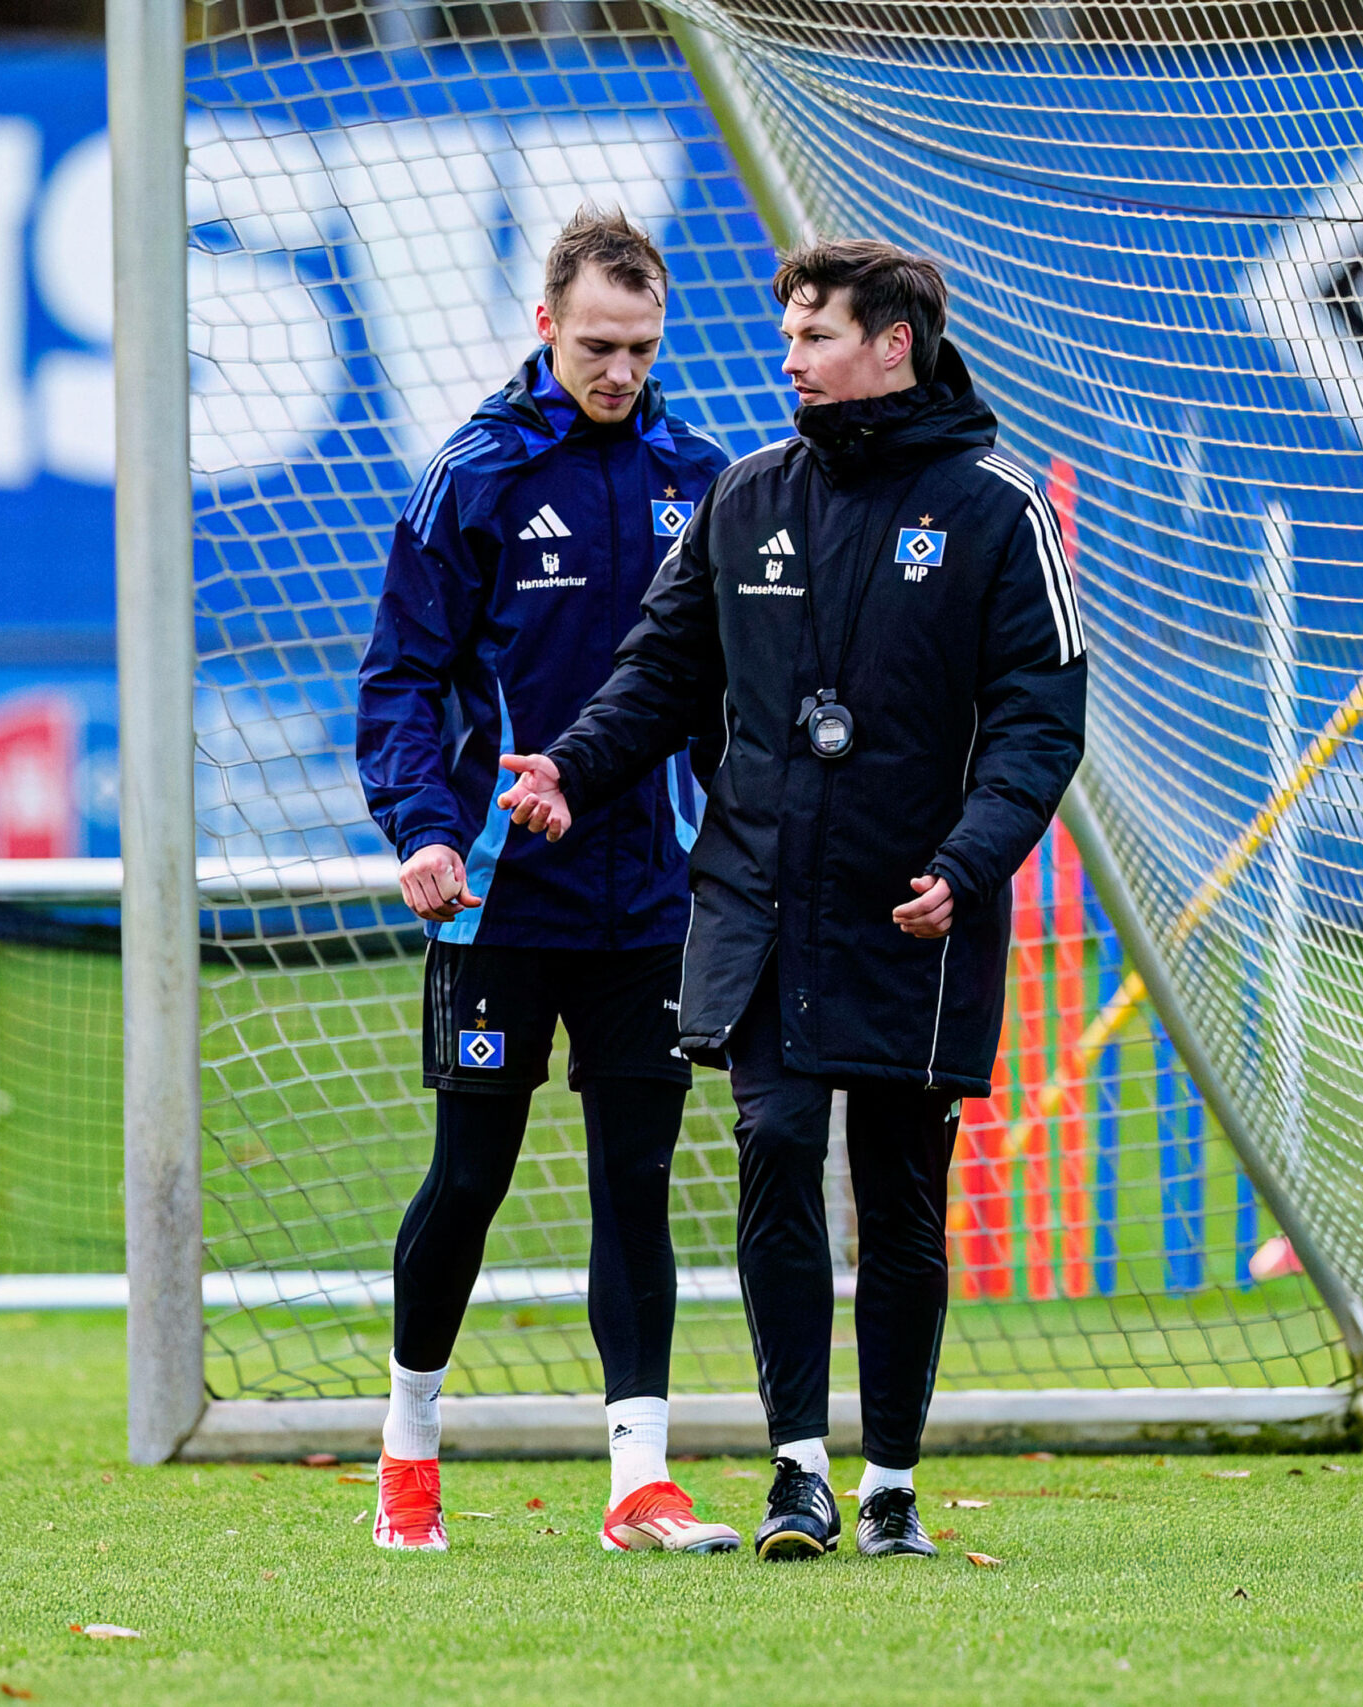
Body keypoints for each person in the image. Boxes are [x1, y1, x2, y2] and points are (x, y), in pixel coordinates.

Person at [497, 239, 1088, 1560]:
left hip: (912, 909)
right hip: (762, 898)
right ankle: (795, 1467)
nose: (789, 357)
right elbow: (658, 671)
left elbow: (1042, 724)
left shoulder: (999, 512)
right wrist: (572, 770)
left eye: (814, 335)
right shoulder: (746, 494)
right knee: (770, 1147)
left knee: (899, 1190)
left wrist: (970, 856)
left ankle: (891, 1482)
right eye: (788, 335)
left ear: (892, 344)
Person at [355, 209, 737, 1555]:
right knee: (471, 1174)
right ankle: (409, 1445)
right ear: (544, 325)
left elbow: (719, 696)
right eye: (595, 345)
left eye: (640, 346)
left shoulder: (705, 478)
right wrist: (421, 827)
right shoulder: (471, 473)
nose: (619, 371)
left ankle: (640, 1477)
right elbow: (402, 676)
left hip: (650, 903)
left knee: (639, 1174)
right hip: (498, 895)